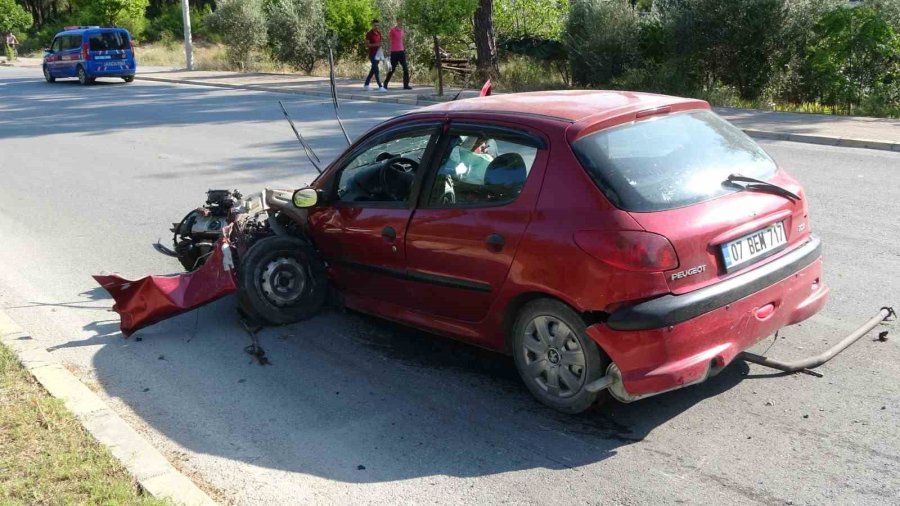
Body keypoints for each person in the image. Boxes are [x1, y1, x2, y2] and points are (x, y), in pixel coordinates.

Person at [383, 18, 412, 90]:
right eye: (400, 20)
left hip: (401, 52)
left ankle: (406, 85)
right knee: (392, 69)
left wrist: (404, 49)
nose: (401, 22)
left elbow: (402, 41)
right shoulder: (392, 30)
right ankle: (385, 83)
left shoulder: (402, 31)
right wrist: (387, 51)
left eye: (402, 20)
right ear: (397, 21)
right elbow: (388, 41)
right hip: (394, 52)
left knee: (405, 69)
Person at [364, 19, 386, 92]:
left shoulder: (379, 33)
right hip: (372, 54)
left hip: (378, 54)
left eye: (377, 25)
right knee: (376, 69)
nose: (376, 27)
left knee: (373, 70)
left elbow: (380, 43)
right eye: (375, 25)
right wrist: (375, 45)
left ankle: (366, 84)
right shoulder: (369, 34)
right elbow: (367, 45)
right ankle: (380, 86)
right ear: (372, 25)